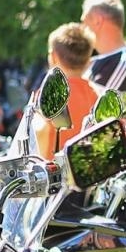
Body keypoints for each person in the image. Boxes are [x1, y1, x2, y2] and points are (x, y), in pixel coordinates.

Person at [36, 22, 98, 156]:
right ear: (88, 61)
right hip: (85, 172)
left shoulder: (50, 92)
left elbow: (40, 130)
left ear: (53, 56)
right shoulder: (97, 94)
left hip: (55, 172)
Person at [80, 0, 126, 100]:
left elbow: (92, 110)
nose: (82, 28)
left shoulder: (125, 62)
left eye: (84, 22)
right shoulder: (95, 61)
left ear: (98, 20)